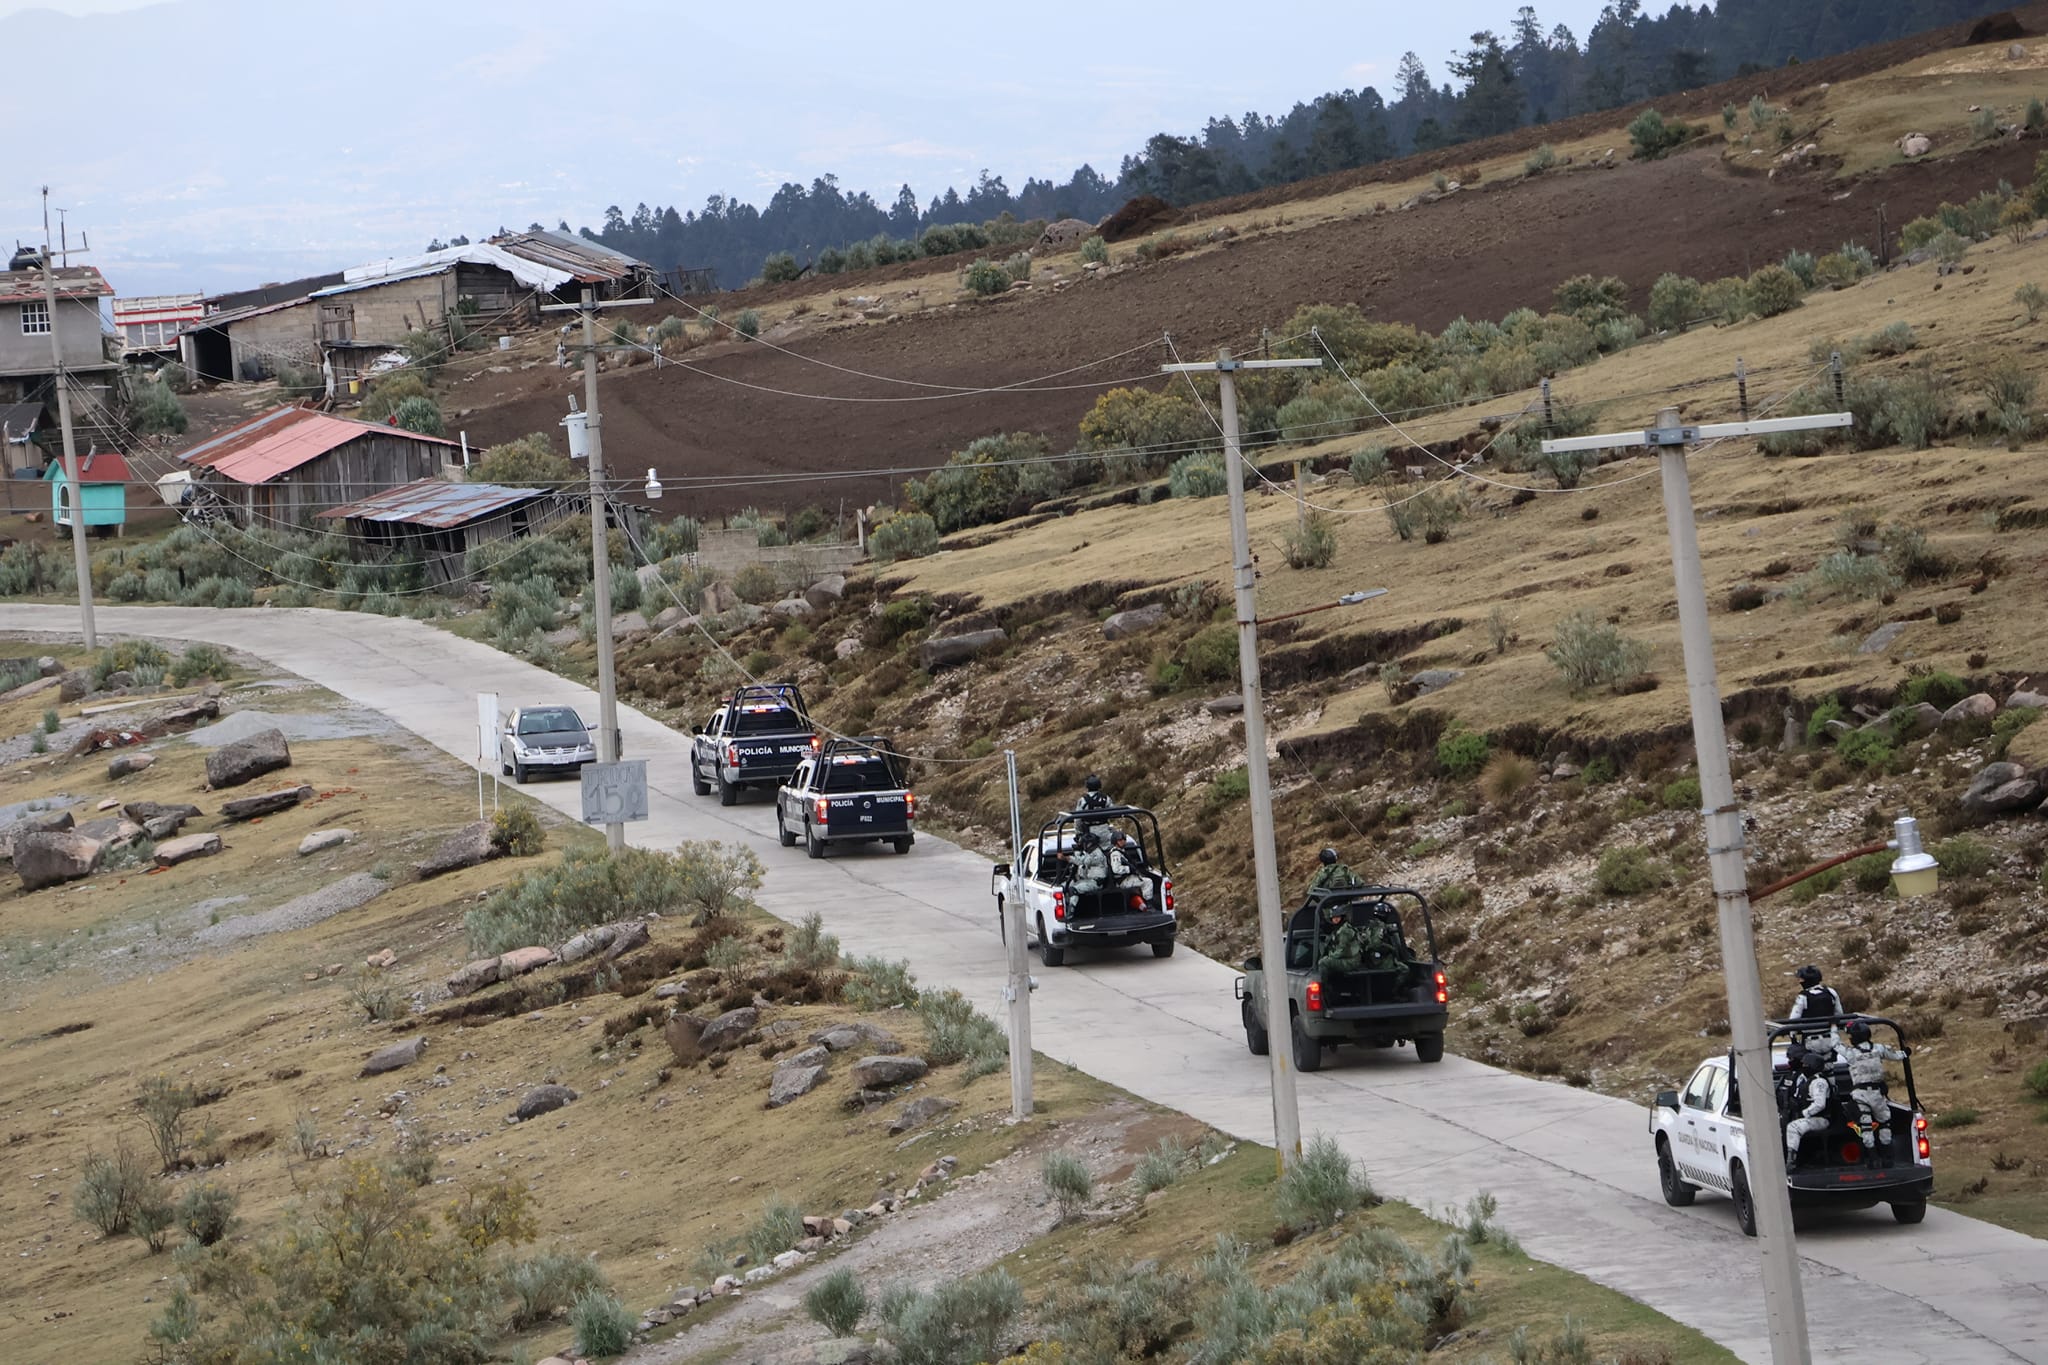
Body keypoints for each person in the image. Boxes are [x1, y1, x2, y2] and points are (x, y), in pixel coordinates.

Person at [1835, 1019, 1908, 1162]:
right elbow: (1897, 1055)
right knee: (1885, 1122)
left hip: (1860, 1094)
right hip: (1877, 1094)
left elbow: (1835, 1044)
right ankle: (1887, 1156)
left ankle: (1872, 1157)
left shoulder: (1851, 1053)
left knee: (1866, 1126)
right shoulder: (1879, 1049)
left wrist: (1832, 1028)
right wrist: (1906, 1053)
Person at [1783, 1049, 1833, 1172]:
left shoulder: (1819, 1082)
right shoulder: (1806, 1079)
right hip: (1811, 1118)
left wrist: (1804, 1113)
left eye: (1806, 1065)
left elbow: (1820, 1104)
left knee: (1793, 1127)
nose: (1804, 1067)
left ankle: (1791, 1161)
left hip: (1822, 1119)